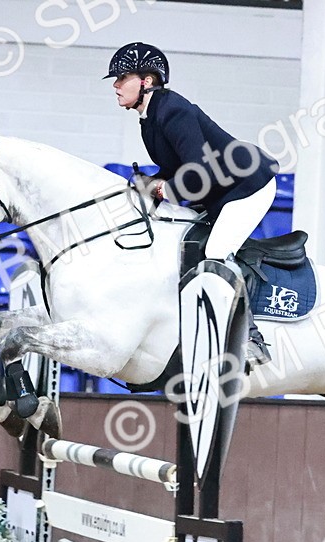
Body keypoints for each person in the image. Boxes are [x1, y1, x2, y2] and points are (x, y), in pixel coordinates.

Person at [106, 42, 278, 368]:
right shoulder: (150, 117)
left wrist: (162, 188)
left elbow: (198, 173)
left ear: (146, 81)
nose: (115, 85)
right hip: (220, 190)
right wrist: (147, 183)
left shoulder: (173, 110)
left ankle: (251, 339)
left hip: (249, 184)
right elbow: (175, 168)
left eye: (122, 77)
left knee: (216, 251)